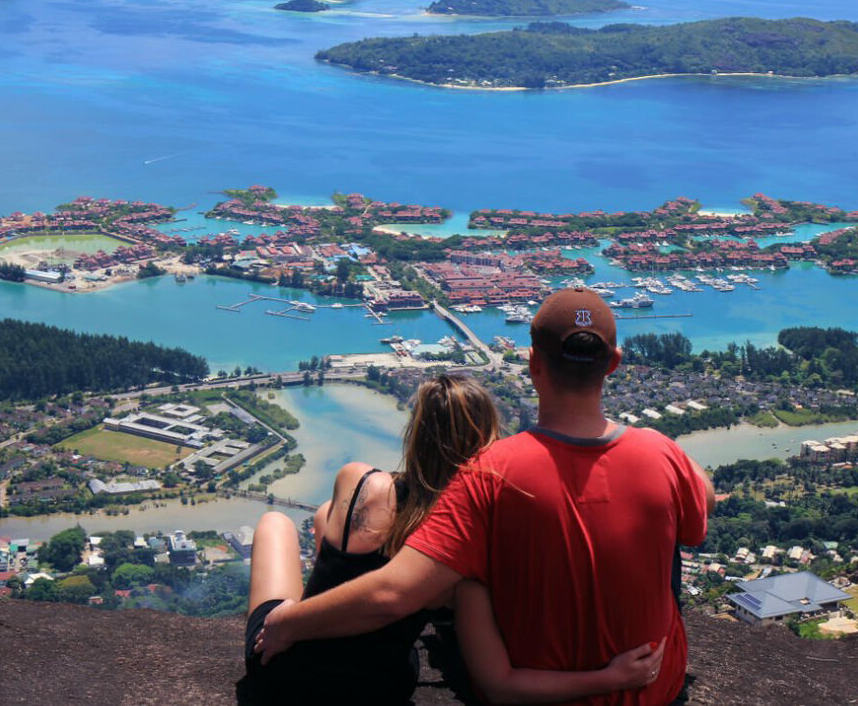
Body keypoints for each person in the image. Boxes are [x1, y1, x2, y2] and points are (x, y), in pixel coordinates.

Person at [258, 288, 716, 705]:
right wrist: (658, 448)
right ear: (613, 363)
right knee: (666, 529)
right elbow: (704, 504)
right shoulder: (661, 453)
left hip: (530, 691)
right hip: (657, 686)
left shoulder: (491, 473)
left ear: (534, 362)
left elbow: (394, 592)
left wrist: (287, 623)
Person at [240, 372, 663, 704]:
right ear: (489, 440)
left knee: (278, 522)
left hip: (281, 675)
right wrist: (610, 678)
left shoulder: (359, 479)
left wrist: (289, 618)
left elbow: (340, 534)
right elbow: (500, 685)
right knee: (324, 519)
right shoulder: (465, 549)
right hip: (373, 690)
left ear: (417, 433)